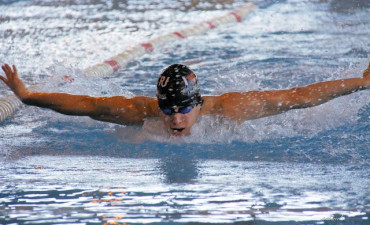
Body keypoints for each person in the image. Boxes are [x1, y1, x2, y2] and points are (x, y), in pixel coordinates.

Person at [1, 63, 369, 136]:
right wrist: (29, 97)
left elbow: (300, 97)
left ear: (200, 104)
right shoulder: (138, 112)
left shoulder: (229, 108)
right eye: (168, 109)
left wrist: (362, 82)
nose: (175, 118)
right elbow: (87, 105)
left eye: (183, 109)